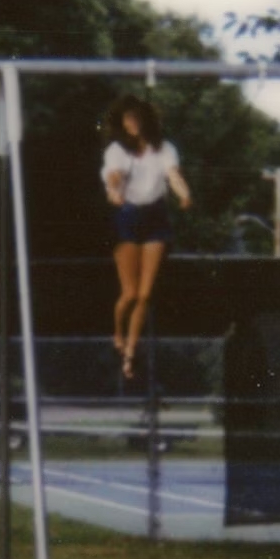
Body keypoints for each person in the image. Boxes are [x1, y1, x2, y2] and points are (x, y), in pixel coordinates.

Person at [100, 96, 193, 380]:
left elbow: (173, 175)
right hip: (128, 217)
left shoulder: (164, 150)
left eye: (137, 118)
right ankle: (117, 332)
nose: (133, 124)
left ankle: (130, 350)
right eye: (127, 119)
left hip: (155, 217)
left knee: (145, 294)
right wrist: (114, 191)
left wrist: (184, 193)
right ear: (121, 123)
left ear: (146, 120)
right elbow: (114, 177)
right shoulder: (118, 150)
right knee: (129, 294)